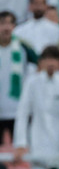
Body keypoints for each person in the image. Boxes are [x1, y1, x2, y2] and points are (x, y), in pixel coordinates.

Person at [0, 11, 38, 145]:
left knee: (21, 149)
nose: (6, 27)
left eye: (10, 23)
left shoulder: (23, 46)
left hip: (17, 108)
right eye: (2, 23)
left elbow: (41, 64)